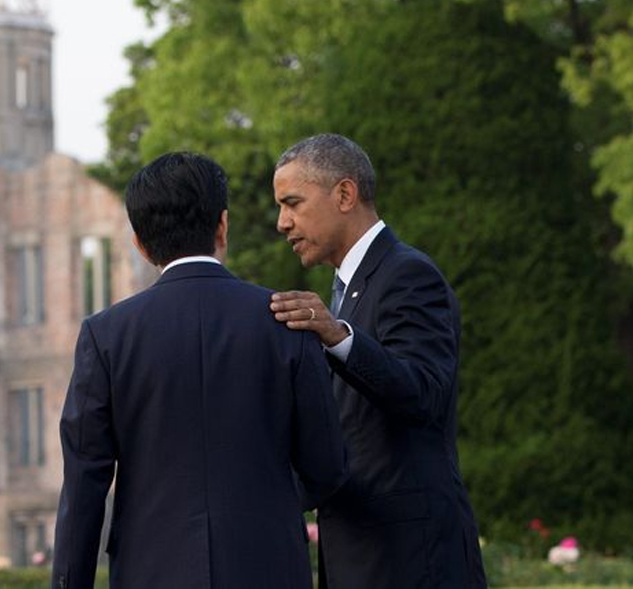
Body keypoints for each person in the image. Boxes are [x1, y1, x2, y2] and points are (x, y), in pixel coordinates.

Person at [51, 151, 347, 589]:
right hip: (268, 566)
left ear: (140, 243)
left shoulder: (106, 336)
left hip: (151, 571)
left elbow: (84, 487)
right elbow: (327, 468)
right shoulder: (289, 322)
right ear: (222, 226)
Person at [269, 133, 487, 588]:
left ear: (344, 194)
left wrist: (337, 335)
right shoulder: (345, 289)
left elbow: (424, 391)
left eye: (292, 203)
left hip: (411, 562)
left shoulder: (408, 274)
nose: (282, 223)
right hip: (363, 555)